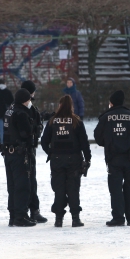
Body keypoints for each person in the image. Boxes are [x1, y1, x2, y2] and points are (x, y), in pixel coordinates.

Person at [94, 90, 130, 226]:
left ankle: (118, 217)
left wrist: (109, 143)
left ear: (111, 103)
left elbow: (98, 138)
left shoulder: (106, 117)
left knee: (115, 189)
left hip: (113, 158)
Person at [40, 95, 92, 227]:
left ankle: (58, 219)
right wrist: (88, 158)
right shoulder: (76, 121)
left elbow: (44, 141)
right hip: (74, 159)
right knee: (73, 188)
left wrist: (51, 153)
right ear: (71, 106)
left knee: (59, 189)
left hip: (57, 160)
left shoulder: (53, 121)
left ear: (60, 105)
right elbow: (84, 142)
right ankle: (75, 218)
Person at [3, 88, 38, 227]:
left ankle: (13, 215)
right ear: (24, 100)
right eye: (29, 99)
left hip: (8, 153)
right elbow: (26, 134)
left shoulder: (9, 111)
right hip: (20, 153)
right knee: (22, 185)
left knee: (12, 185)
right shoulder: (21, 114)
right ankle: (20, 216)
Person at [20, 80, 48, 223]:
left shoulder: (22, 106)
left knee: (29, 181)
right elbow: (32, 128)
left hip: (26, 149)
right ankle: (32, 211)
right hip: (27, 150)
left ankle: (29, 210)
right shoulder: (26, 108)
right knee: (29, 181)